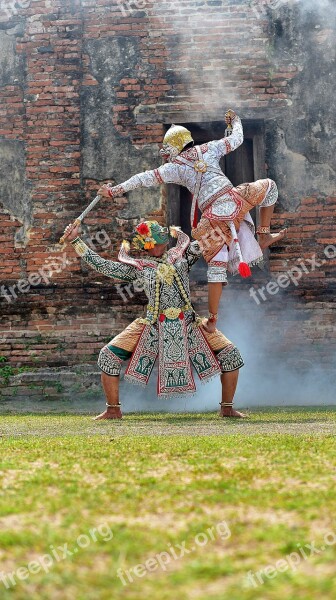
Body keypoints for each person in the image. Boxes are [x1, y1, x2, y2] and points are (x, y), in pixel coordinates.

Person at [97, 110, 287, 333]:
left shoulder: (174, 167)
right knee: (270, 188)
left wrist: (114, 190)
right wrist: (236, 121)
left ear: (173, 148)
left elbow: (143, 178)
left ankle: (213, 319)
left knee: (216, 266)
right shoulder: (209, 148)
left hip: (213, 218)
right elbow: (236, 139)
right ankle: (263, 233)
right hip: (235, 199)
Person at [63, 219, 246, 420]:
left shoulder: (183, 255)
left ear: (166, 241)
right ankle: (113, 410)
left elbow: (209, 240)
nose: (156, 247)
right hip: (153, 325)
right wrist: (76, 241)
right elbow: (104, 266)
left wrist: (232, 220)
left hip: (189, 322)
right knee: (108, 356)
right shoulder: (139, 267)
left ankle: (227, 408)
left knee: (231, 356)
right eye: (151, 244)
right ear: (145, 246)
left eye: (158, 242)